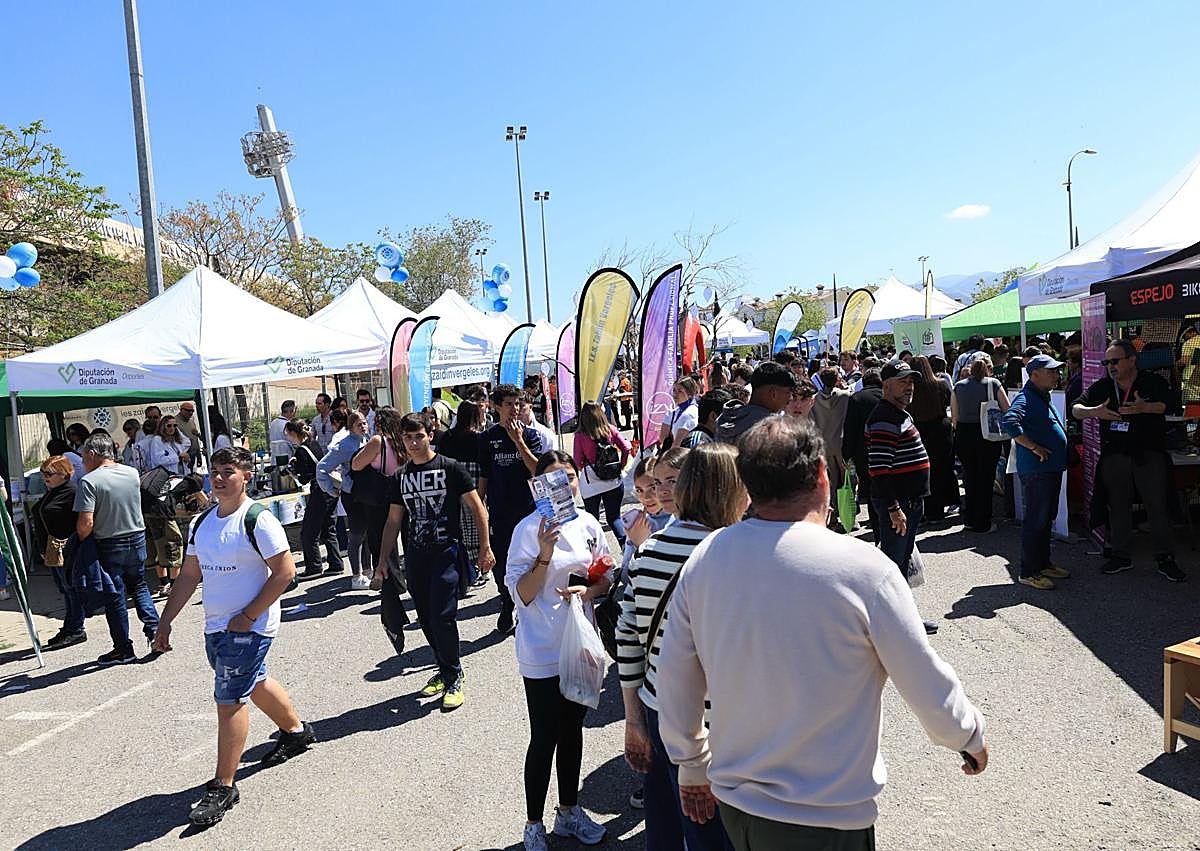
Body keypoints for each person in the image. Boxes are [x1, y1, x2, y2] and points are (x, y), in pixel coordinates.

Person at [655, 417, 987, 850]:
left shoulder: (706, 560)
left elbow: (676, 674)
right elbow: (921, 675)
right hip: (827, 812)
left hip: (737, 804)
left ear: (748, 484)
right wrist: (967, 736)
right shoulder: (863, 569)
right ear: (821, 476)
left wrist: (691, 762)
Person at [152, 446, 315, 827]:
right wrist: (166, 620)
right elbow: (190, 575)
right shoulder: (201, 522)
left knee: (229, 700)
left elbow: (285, 572)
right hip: (216, 627)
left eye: (228, 471)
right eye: (215, 472)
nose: (219, 478)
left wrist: (248, 615)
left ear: (245, 477)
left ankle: (223, 786)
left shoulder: (258, 520)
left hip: (249, 628)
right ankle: (295, 732)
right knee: (252, 681)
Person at [618, 444, 744, 850]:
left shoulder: (648, 553)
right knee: (714, 835)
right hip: (718, 720)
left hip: (658, 709)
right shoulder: (734, 555)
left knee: (666, 825)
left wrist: (633, 720)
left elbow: (629, 640)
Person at [505, 451, 611, 851]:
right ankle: (534, 823)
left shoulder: (587, 524)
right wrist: (545, 553)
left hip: (581, 644)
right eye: (552, 479)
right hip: (542, 647)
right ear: (537, 487)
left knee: (572, 732)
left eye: (568, 476)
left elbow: (604, 575)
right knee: (544, 735)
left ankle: (569, 811)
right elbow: (523, 595)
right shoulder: (528, 529)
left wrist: (590, 589)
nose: (563, 485)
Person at [377, 412, 495, 710]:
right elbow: (393, 521)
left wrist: (485, 547)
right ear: (401, 440)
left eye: (419, 436)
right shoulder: (400, 476)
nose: (414, 442)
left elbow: (477, 508)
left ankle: (454, 675)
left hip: (447, 553)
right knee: (426, 618)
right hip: (416, 556)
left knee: (443, 615)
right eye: (408, 437)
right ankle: (444, 670)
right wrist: (382, 560)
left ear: (430, 434)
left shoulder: (451, 468)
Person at [1073, 339, 1185, 581]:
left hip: (1149, 454)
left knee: (1157, 507)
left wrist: (1146, 407)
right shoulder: (1103, 386)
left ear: (1132, 359)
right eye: (1106, 362)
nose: (1110, 366)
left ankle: (1165, 558)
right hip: (1115, 456)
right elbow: (1075, 409)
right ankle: (1120, 555)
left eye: (1115, 361)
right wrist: (1094, 412)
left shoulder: (1151, 381)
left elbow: (1172, 405)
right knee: (1118, 506)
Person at [866, 362, 938, 635]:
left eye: (911, 381)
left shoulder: (899, 413)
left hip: (909, 501)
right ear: (886, 385)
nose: (909, 386)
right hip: (900, 503)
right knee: (892, 568)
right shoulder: (885, 417)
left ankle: (902, 620)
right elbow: (879, 471)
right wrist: (894, 508)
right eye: (902, 381)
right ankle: (889, 626)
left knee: (901, 564)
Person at [74, 432, 160, 664]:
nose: (82, 462)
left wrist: (79, 539)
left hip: (109, 542)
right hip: (137, 536)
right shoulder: (131, 473)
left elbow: (86, 523)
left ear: (92, 454)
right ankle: (155, 631)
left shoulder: (90, 481)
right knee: (139, 585)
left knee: (115, 595)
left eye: (83, 457)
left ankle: (123, 648)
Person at [1002, 354, 1072, 590]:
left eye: (1057, 370)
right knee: (1036, 520)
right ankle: (1029, 571)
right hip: (1037, 471)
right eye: (1051, 371)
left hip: (1048, 469)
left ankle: (1043, 564)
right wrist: (1033, 446)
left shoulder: (1040, 396)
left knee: (1045, 519)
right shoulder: (1026, 397)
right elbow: (1009, 422)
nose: (1057, 374)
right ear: (1034, 375)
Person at [478, 383, 542, 635]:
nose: (514, 409)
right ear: (496, 406)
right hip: (500, 513)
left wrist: (519, 442)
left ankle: (531, 605)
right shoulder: (487, 438)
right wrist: (479, 509)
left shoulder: (531, 435)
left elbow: (538, 471)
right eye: (508, 404)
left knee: (532, 560)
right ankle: (507, 601)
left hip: (528, 512)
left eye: (517, 404)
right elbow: (484, 475)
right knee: (502, 563)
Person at [951, 354, 1010, 534]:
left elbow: (954, 417)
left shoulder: (958, 386)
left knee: (969, 477)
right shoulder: (994, 384)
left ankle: (969, 518)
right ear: (988, 368)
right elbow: (1007, 408)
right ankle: (983, 521)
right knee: (985, 478)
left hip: (964, 433)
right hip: (987, 435)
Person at [352, 407, 406, 590]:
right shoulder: (402, 440)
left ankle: (391, 581)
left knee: (382, 540)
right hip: (401, 492)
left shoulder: (378, 441)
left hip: (380, 497)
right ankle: (403, 579)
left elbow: (356, 465)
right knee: (403, 538)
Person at [318, 410, 373, 589]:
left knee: (366, 534)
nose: (363, 426)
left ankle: (367, 570)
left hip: (366, 493)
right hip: (352, 494)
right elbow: (322, 468)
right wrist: (331, 490)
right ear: (351, 427)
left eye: (364, 423)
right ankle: (356, 576)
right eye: (359, 424)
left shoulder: (367, 440)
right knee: (357, 534)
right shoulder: (344, 445)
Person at [284, 418, 344, 579]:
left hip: (318, 490)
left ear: (293, 433)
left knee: (309, 532)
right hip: (330, 490)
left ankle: (314, 567)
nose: (287, 437)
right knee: (328, 528)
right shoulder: (314, 443)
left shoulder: (301, 451)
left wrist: (293, 470)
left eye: (288, 434)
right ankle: (336, 563)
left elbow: (304, 478)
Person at [437, 400, 488, 586]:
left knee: (458, 523)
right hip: (474, 480)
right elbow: (485, 464)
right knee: (477, 521)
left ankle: (464, 567)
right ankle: (481, 567)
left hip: (452, 481)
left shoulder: (448, 436)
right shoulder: (479, 437)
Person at [38, 456, 85, 648]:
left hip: (66, 548)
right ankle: (70, 626)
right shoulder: (52, 492)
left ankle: (76, 629)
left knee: (71, 588)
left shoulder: (71, 492)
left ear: (63, 474)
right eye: (43, 473)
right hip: (52, 549)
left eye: (49, 474)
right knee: (65, 589)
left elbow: (80, 522)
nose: (45, 478)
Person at [573, 401, 632, 548]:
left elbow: (577, 460)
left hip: (591, 484)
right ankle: (626, 549)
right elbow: (626, 448)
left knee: (592, 522)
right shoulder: (610, 430)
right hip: (613, 481)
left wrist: (586, 467)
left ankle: (597, 555)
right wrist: (621, 466)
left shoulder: (580, 436)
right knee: (615, 518)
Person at [909, 355, 959, 522]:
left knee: (923, 471)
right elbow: (949, 402)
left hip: (919, 430)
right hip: (941, 428)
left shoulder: (911, 389)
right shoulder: (940, 384)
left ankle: (929, 510)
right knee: (943, 468)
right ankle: (945, 504)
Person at [842, 367, 884, 540]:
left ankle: (878, 532)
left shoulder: (856, 398)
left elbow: (850, 429)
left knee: (872, 491)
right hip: (890, 449)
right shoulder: (887, 396)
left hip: (864, 453)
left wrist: (846, 454)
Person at [714, 362, 796, 443]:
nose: (791, 398)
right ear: (773, 393)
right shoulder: (772, 430)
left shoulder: (724, 419)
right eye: (788, 392)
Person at [810, 367, 851, 523]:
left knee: (830, 482)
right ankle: (848, 514)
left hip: (823, 444)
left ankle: (831, 514)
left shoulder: (814, 400)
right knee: (848, 481)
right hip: (841, 443)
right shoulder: (846, 396)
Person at [660, 378, 700, 449]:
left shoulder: (688, 414)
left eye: (680, 391)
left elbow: (677, 446)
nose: (675, 394)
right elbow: (662, 438)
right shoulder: (678, 410)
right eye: (674, 390)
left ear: (690, 394)